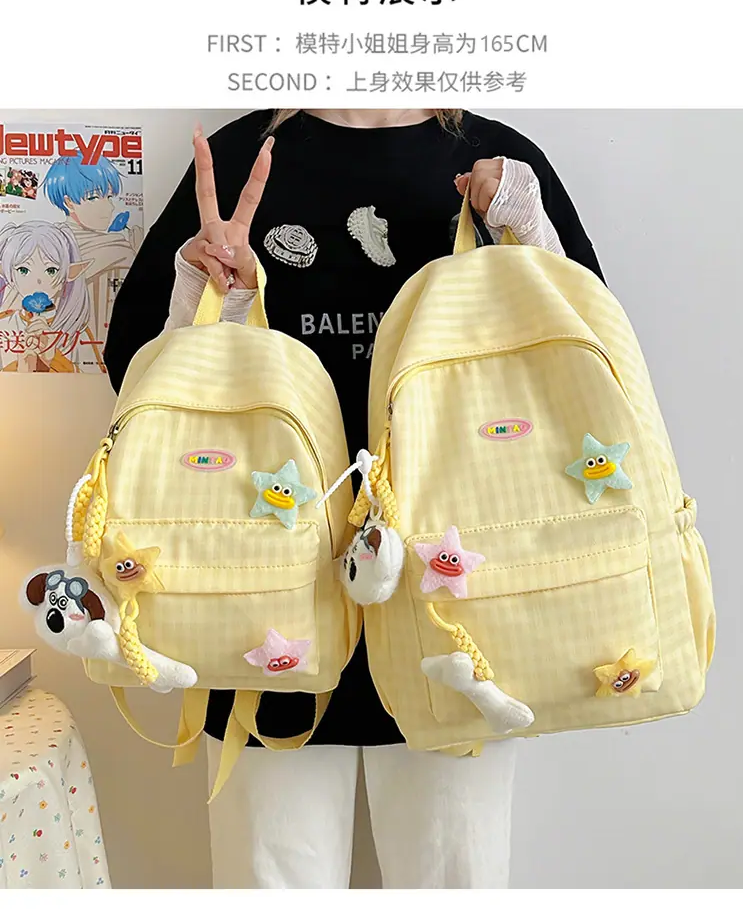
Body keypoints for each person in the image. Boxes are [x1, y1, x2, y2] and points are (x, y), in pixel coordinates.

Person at [104, 108, 603, 890]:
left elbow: (587, 377)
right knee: (269, 884)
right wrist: (209, 298)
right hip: (262, 610)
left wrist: (530, 231)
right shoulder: (241, 159)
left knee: (457, 884)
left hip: (459, 614)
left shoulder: (497, 161)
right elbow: (144, 400)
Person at [42, 152, 142, 341]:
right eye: (93, 197)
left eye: (109, 197)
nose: (109, 207)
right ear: (68, 202)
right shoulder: (46, 245)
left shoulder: (120, 245)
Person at [0, 219, 102, 372]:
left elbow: (96, 381)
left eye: (51, 270)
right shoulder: (4, 325)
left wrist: (53, 358)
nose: (38, 281)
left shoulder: (76, 331)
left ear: (68, 275)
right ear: (9, 276)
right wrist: (21, 367)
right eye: (23, 270)